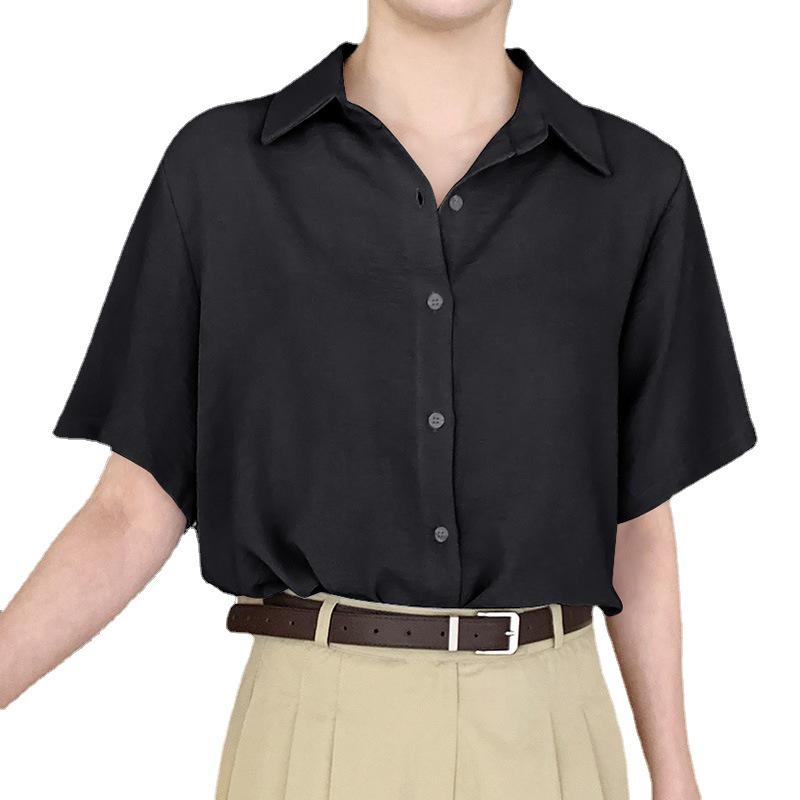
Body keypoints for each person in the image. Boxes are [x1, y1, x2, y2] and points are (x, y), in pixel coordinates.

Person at [0, 1, 756, 798]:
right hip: (310, 733)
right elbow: (132, 507)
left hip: (549, 734)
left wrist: (676, 777)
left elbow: (636, 519)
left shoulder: (634, 188)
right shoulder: (222, 173)